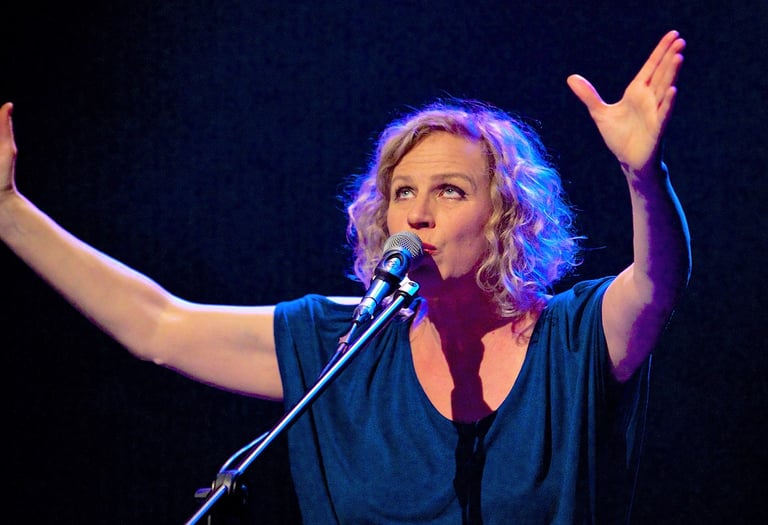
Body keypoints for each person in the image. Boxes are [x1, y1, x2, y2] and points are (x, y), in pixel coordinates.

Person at [0, 30, 690, 524]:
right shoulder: (341, 343)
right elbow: (155, 324)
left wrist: (642, 176)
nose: (416, 213)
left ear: (506, 216)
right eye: (402, 192)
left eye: (450, 191)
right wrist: (9, 215)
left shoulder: (571, 339)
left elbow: (657, 284)